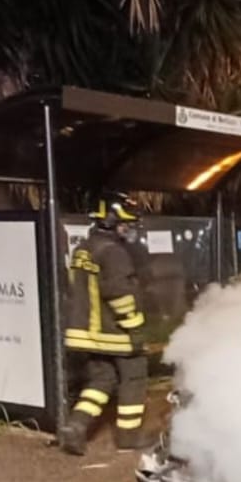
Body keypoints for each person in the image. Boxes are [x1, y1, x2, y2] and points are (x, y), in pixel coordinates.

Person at [57, 193, 149, 456]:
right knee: (134, 377)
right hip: (114, 333)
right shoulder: (114, 253)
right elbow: (119, 295)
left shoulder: (83, 249)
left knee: (101, 380)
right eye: (124, 224)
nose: (128, 229)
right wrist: (134, 327)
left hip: (85, 334)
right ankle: (129, 436)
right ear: (110, 222)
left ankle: (76, 425)